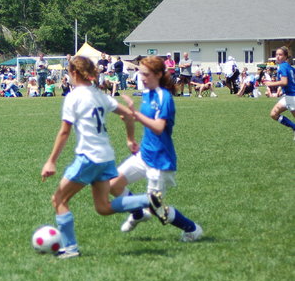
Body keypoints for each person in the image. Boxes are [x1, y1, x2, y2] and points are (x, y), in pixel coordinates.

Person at [40, 55, 167, 259]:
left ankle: (70, 248)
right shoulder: (100, 95)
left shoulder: (73, 96)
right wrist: (130, 139)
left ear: (74, 73)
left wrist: (51, 161)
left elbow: (64, 132)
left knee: (59, 199)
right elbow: (128, 115)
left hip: (88, 157)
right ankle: (147, 200)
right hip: (106, 157)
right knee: (103, 207)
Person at [109, 56, 203, 242]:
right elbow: (145, 120)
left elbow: (159, 127)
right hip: (144, 154)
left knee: (155, 207)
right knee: (113, 184)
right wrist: (131, 133)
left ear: (159, 74)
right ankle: (137, 214)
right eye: (140, 73)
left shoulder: (164, 97)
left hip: (161, 161)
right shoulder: (147, 93)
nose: (142, 78)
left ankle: (192, 229)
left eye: (146, 74)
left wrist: (135, 114)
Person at [264, 46, 295, 138]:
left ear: (285, 56)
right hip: (288, 96)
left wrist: (270, 83)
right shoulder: (289, 66)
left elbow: (284, 82)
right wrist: (282, 90)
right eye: (276, 54)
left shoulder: (282, 67)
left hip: (292, 97)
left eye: (280, 54)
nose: (277, 56)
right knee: (274, 114)